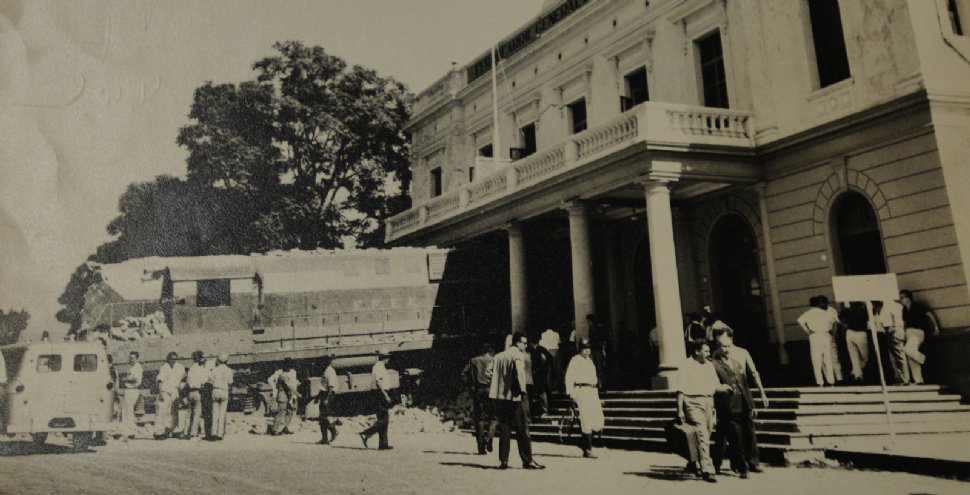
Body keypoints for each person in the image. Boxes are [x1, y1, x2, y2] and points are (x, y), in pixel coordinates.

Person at [710, 324, 769, 476]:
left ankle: (753, 462)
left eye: (725, 343)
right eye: (719, 343)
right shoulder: (715, 357)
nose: (723, 348)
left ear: (731, 339)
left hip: (743, 398)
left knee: (749, 431)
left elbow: (753, 374)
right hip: (726, 401)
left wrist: (762, 393)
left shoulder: (742, 353)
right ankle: (735, 464)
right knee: (731, 435)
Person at [489, 332, 544, 470]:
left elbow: (488, 373)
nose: (525, 346)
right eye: (523, 343)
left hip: (501, 397)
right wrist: (523, 390)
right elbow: (519, 373)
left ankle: (504, 461)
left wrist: (498, 386)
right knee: (523, 428)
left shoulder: (498, 356)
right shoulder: (518, 355)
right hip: (516, 396)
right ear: (517, 342)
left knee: (505, 429)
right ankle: (527, 460)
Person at [677, 339, 726, 483]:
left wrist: (724, 388)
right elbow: (680, 388)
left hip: (708, 402)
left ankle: (694, 461)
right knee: (702, 434)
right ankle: (708, 469)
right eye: (706, 351)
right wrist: (679, 409)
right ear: (697, 351)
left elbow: (715, 384)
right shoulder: (686, 365)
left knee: (707, 433)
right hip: (692, 402)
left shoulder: (709, 366)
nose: (709, 353)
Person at [564, 338, 605, 459]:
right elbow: (569, 377)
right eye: (584, 348)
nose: (587, 351)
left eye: (588, 348)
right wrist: (571, 393)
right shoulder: (575, 360)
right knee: (586, 418)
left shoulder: (590, 361)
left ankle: (583, 444)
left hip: (592, 391)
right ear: (580, 349)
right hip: (581, 390)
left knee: (597, 418)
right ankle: (588, 448)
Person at [899, 289, 940, 385]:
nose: (900, 300)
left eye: (902, 297)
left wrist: (936, 327)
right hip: (909, 333)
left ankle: (923, 359)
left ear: (908, 298)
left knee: (908, 350)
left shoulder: (918, 306)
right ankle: (919, 380)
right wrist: (904, 334)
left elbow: (930, 315)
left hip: (918, 332)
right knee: (911, 357)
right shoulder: (904, 309)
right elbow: (905, 323)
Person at [462, 343, 496, 454]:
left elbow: (463, 374)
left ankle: (481, 447)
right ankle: (490, 437)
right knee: (494, 417)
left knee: (479, 418)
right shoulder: (494, 360)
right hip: (492, 390)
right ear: (490, 351)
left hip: (478, 390)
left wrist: (470, 385)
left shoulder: (473, 361)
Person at [796, 296, 838, 386]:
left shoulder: (808, 313)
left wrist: (807, 330)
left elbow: (799, 320)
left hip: (814, 336)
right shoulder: (825, 313)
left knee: (816, 359)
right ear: (819, 304)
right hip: (826, 335)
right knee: (828, 358)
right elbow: (834, 321)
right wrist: (832, 332)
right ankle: (831, 381)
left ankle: (820, 382)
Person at [360, 350, 393, 450]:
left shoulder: (380, 366)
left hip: (381, 393)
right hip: (380, 394)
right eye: (388, 357)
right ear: (384, 357)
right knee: (383, 420)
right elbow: (379, 382)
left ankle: (383, 444)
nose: (389, 359)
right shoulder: (378, 367)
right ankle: (366, 433)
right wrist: (386, 395)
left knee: (384, 419)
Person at [873, 298, 908, 385]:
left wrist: (892, 329)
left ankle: (905, 379)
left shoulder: (890, 305)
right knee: (896, 356)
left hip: (893, 331)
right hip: (893, 330)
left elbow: (894, 318)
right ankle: (901, 378)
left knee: (899, 355)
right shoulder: (892, 305)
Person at [154, 352, 185, 439]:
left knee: (174, 413)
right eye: (171, 359)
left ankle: (173, 430)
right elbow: (160, 380)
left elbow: (183, 378)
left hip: (175, 392)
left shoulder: (180, 367)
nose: (173, 361)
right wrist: (161, 393)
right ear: (168, 359)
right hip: (165, 391)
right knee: (162, 412)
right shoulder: (164, 367)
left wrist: (181, 388)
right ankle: (159, 432)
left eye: (175, 359)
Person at [839, 301, 871, 384]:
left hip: (849, 333)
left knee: (854, 356)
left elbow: (839, 318)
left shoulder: (847, 310)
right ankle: (855, 373)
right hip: (860, 333)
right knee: (865, 357)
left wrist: (845, 324)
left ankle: (857, 375)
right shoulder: (864, 310)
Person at [268, 358, 300, 435]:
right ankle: (274, 430)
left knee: (290, 411)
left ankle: (286, 427)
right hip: (283, 395)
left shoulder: (292, 372)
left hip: (289, 395)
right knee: (281, 412)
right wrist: (274, 388)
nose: (289, 367)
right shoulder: (282, 374)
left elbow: (293, 383)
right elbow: (289, 386)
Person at [183, 351, 209, 440]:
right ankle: (194, 433)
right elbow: (204, 382)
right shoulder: (201, 370)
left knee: (189, 412)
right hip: (198, 392)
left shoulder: (191, 369)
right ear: (200, 359)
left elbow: (188, 381)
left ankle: (186, 432)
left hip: (190, 392)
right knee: (197, 413)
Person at [209, 353, 234, 440]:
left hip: (216, 390)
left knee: (215, 413)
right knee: (222, 414)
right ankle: (220, 434)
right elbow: (230, 383)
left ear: (218, 361)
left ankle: (213, 433)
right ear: (227, 361)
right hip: (224, 391)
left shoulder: (214, 370)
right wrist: (229, 394)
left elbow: (210, 382)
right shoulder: (229, 370)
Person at [317, 355, 339, 445]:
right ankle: (324, 438)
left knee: (323, 416)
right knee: (322, 417)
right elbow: (323, 386)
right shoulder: (325, 371)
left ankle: (333, 430)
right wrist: (318, 396)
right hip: (324, 394)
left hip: (329, 395)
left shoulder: (330, 371)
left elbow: (331, 387)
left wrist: (326, 399)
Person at [529, 337, 554, 419]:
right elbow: (551, 359)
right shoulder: (543, 349)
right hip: (541, 374)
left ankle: (544, 410)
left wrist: (543, 367)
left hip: (539, 374)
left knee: (541, 393)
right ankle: (542, 410)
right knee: (540, 393)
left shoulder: (535, 350)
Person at [120, 351, 143, 431]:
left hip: (132, 390)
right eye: (130, 358)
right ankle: (128, 428)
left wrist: (125, 379)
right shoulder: (133, 367)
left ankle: (129, 429)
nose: (131, 360)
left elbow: (135, 379)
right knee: (127, 410)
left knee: (128, 410)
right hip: (129, 390)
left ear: (137, 359)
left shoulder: (137, 367)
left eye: (132, 358)